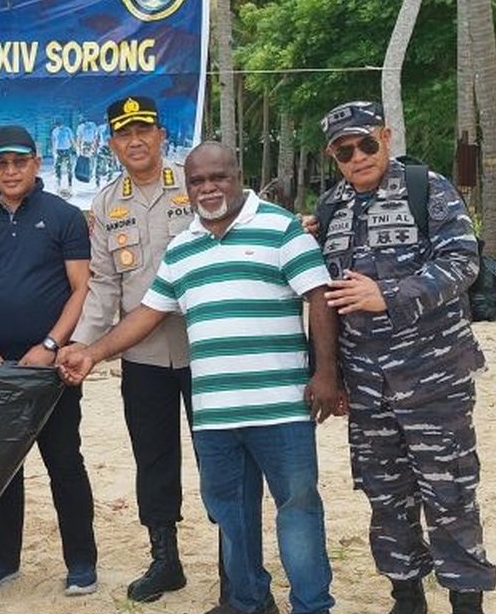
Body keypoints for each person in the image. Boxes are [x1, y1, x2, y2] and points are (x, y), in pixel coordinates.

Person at [60, 141, 342, 614]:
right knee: (232, 516)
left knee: (297, 509)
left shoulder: (281, 228)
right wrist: (91, 352)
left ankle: (312, 606)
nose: (208, 188)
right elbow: (147, 314)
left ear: (238, 176)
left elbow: (319, 296)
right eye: (198, 181)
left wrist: (327, 372)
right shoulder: (182, 248)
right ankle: (249, 602)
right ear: (188, 188)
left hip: (281, 410)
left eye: (218, 178)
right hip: (215, 418)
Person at [310, 101, 496, 614]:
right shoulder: (330, 210)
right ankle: (406, 595)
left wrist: (387, 295)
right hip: (368, 388)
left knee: (450, 491)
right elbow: (324, 295)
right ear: (333, 156)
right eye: (345, 151)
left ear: (386, 138)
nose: (358, 157)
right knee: (385, 495)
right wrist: (331, 374)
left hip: (433, 378)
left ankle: (466, 601)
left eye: (367, 144)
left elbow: (462, 262)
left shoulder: (427, 189)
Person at [56, 96, 200, 604]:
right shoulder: (105, 204)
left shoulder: (194, 184)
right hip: (142, 355)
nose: (135, 141)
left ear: (161, 135)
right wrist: (81, 344)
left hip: (204, 349)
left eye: (143, 130)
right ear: (112, 144)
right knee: (153, 457)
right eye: (124, 134)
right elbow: (103, 285)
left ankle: (236, 560)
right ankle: (165, 559)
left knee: (220, 456)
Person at [0, 125, 98, 598]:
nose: (11, 171)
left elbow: (81, 288)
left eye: (19, 161)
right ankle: (2, 560)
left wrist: (51, 345)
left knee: (64, 461)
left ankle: (81, 561)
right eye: (1, 163)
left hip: (52, 369)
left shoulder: (64, 216)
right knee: (2, 466)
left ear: (37, 163)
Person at [50, 117, 75, 190]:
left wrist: (75, 149)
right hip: (58, 151)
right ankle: (58, 183)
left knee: (69, 167)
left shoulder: (67, 130)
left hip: (67, 150)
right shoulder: (54, 131)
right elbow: (53, 142)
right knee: (57, 168)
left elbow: (72, 140)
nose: (56, 124)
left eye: (57, 122)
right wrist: (54, 152)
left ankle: (70, 184)